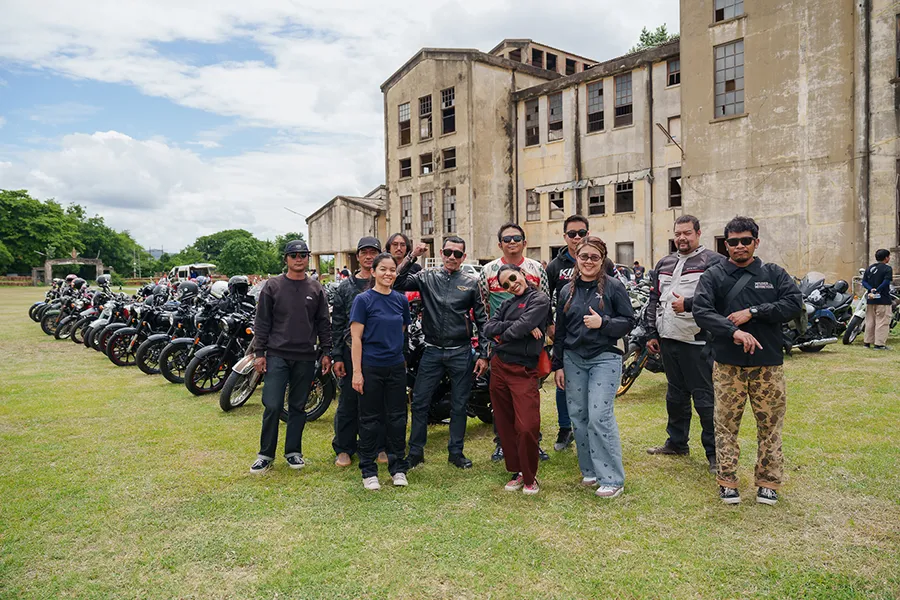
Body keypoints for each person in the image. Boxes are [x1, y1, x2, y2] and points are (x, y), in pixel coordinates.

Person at [693, 216, 802, 506]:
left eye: (745, 240)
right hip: (728, 365)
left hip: (768, 365)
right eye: (733, 241)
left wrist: (754, 311)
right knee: (726, 426)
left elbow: (794, 304)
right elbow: (702, 311)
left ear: (756, 242)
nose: (739, 246)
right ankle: (727, 481)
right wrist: (733, 331)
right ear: (726, 244)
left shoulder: (773, 273)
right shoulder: (714, 276)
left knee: (770, 426)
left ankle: (768, 482)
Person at [394, 236, 489, 469]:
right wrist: (412, 256)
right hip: (432, 350)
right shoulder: (427, 277)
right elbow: (397, 281)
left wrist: (484, 354)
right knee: (419, 402)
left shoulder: (472, 282)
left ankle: (456, 453)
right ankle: (415, 452)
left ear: (463, 257)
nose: (451, 257)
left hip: (461, 351)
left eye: (457, 254)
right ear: (441, 253)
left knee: (459, 404)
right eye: (448, 252)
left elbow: (483, 320)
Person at [551, 235, 635, 498]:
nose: (588, 261)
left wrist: (604, 323)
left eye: (594, 257)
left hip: (604, 357)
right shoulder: (566, 291)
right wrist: (557, 365)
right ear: (576, 258)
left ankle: (612, 478)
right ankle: (589, 470)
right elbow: (560, 332)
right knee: (579, 416)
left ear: (602, 259)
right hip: (573, 358)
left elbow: (629, 321)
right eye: (584, 256)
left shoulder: (614, 287)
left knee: (599, 416)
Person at [645, 215, 725, 474]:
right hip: (668, 339)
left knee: (704, 399)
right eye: (678, 233)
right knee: (675, 396)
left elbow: (721, 300)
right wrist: (651, 333)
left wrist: (691, 306)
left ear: (698, 233)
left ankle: (715, 454)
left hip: (698, 341)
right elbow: (654, 300)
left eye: (687, 233)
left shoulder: (713, 262)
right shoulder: (664, 263)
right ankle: (677, 443)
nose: (682, 238)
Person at [250, 240, 333, 474]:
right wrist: (259, 353)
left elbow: (323, 323)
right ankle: (265, 455)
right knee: (273, 404)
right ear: (286, 259)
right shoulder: (272, 286)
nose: (299, 259)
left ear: (308, 258)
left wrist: (326, 352)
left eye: (303, 255)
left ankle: (293, 452)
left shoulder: (316, 288)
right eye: (294, 255)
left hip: (305, 355)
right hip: (277, 354)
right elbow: (262, 322)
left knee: (298, 406)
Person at [478, 222, 550, 462]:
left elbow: (545, 303)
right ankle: (503, 444)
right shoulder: (487, 271)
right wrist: (488, 344)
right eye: (507, 239)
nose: (512, 242)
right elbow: (484, 309)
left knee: (529, 398)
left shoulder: (536, 268)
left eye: (516, 238)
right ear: (500, 244)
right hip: (500, 344)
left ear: (524, 242)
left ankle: (533, 443)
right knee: (502, 400)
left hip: (529, 347)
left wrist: (539, 329)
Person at [482, 263, 551, 495]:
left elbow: (518, 327)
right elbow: (488, 328)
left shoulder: (539, 299)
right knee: (504, 423)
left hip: (523, 369)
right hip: (500, 367)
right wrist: (519, 326)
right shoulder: (506, 304)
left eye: (513, 278)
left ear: (522, 273)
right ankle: (517, 471)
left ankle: (530, 476)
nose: (512, 285)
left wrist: (509, 331)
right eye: (505, 284)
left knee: (527, 425)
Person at [349, 253, 412, 490]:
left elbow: (401, 330)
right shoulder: (363, 300)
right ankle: (368, 471)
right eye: (383, 269)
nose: (388, 273)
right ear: (373, 272)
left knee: (397, 418)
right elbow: (356, 338)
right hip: (371, 367)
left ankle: (398, 468)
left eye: (392, 269)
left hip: (395, 367)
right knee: (369, 420)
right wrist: (357, 372)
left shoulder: (401, 300)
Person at [331, 237, 386, 467]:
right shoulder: (345, 287)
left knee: (378, 400)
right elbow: (337, 323)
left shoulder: (385, 284)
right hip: (350, 350)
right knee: (348, 401)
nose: (369, 256)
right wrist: (336, 356)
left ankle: (379, 446)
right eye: (364, 252)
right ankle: (344, 448)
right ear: (358, 256)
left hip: (378, 352)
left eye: (373, 252)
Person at [545, 215, 590, 452]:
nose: (577, 238)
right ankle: (565, 428)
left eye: (582, 233)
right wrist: (549, 325)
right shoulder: (555, 266)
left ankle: (589, 429)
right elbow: (543, 298)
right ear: (565, 237)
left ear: (588, 234)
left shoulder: (600, 260)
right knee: (562, 381)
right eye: (572, 234)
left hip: (594, 334)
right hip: (565, 335)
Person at [861, 249, 893, 350]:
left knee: (870, 321)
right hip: (883, 299)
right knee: (882, 321)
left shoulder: (870, 268)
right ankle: (879, 344)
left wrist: (871, 289)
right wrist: (877, 290)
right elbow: (886, 282)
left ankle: (867, 342)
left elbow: (864, 282)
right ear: (886, 258)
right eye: (889, 256)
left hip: (870, 299)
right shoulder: (887, 269)